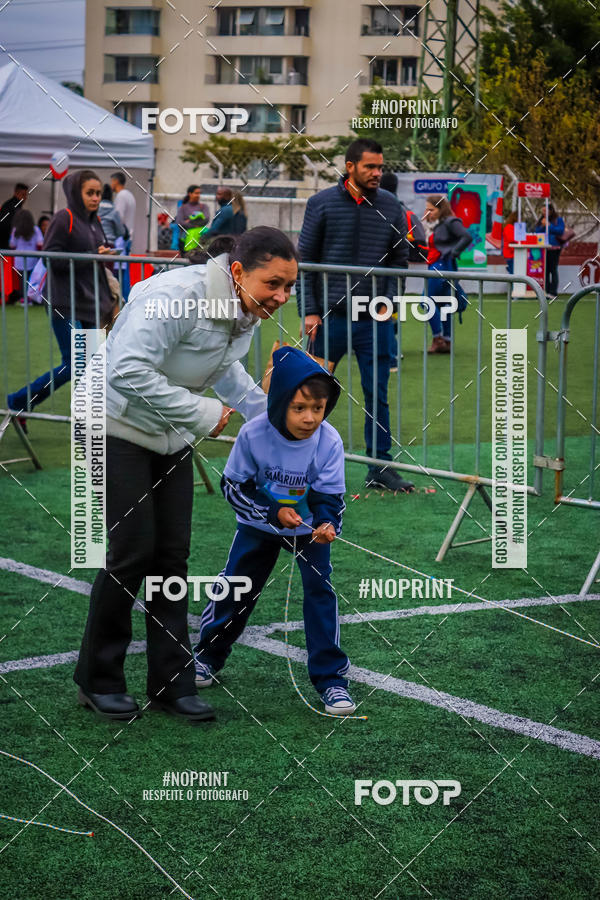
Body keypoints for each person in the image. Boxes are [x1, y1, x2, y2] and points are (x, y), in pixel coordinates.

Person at [73, 227, 299, 723]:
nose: (282, 297)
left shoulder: (244, 308)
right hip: (110, 424)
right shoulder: (176, 295)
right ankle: (98, 678)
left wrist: (276, 420)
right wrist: (203, 414)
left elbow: (225, 369)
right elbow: (125, 368)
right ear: (238, 271)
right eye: (274, 284)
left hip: (168, 434)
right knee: (132, 550)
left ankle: (171, 683)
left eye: (290, 286)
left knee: (172, 556)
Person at [193, 346, 356, 715]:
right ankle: (207, 655)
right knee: (237, 586)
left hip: (308, 529)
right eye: (299, 408)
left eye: (318, 408)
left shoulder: (329, 440)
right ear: (280, 401)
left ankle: (331, 679)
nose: (310, 418)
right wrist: (273, 512)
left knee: (319, 591)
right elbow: (234, 487)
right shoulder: (253, 434)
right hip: (259, 524)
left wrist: (327, 523)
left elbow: (330, 495)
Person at [298, 138, 414, 493]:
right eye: (370, 167)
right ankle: (300, 464)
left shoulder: (393, 207)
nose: (377, 173)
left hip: (374, 321)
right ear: (350, 166)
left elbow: (400, 262)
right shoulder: (320, 204)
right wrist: (310, 311)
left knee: (376, 393)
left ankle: (379, 467)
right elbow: (305, 263)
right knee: (311, 394)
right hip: (328, 319)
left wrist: (388, 304)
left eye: (380, 167)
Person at [6, 170, 113, 417]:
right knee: (74, 363)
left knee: (92, 364)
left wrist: (101, 255)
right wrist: (92, 256)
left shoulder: (94, 221)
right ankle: (19, 401)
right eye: (90, 193)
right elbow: (52, 259)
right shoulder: (63, 218)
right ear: (76, 193)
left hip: (90, 302)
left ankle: (91, 419)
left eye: (98, 193)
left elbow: (93, 255)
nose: (96, 198)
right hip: (63, 301)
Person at [422, 195, 472, 354]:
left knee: (426, 301)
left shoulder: (450, 221)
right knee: (443, 303)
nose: (428, 212)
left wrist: (453, 253)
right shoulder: (442, 224)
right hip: (441, 265)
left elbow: (467, 237)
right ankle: (447, 341)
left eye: (431, 209)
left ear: (440, 208)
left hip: (441, 265)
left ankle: (439, 338)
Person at [8, 210, 43, 304]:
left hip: (19, 259)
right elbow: (40, 244)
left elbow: (12, 245)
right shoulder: (35, 229)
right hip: (32, 258)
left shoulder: (16, 230)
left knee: (22, 280)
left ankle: (24, 298)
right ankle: (32, 297)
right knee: (32, 279)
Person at [110, 171, 136, 299]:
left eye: (112, 182)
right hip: (128, 236)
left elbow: (118, 218)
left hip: (121, 238)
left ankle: (121, 298)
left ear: (115, 181)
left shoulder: (121, 196)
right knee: (124, 270)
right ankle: (125, 297)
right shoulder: (129, 195)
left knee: (120, 271)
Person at [535, 203, 565, 298]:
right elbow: (537, 231)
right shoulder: (542, 220)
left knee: (553, 269)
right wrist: (543, 226)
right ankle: (546, 290)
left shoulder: (558, 220)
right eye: (542, 211)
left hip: (554, 248)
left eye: (545, 210)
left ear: (551, 211)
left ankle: (553, 292)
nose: (543, 213)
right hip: (544, 248)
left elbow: (560, 231)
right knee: (546, 270)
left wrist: (549, 226)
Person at [174, 185, 210, 251]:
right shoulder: (183, 208)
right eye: (196, 193)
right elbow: (180, 223)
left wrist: (189, 221)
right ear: (190, 194)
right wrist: (196, 223)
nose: (198, 195)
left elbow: (206, 219)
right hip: (184, 238)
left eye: (199, 193)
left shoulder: (204, 207)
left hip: (200, 239)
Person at [0, 182, 28, 249]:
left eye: (26, 195)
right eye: (23, 195)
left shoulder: (10, 205)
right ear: (16, 193)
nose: (25, 198)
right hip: (6, 244)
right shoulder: (12, 207)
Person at [502, 210, 518, 275]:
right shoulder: (509, 227)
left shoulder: (511, 227)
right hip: (510, 254)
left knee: (513, 271)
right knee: (513, 272)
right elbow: (511, 239)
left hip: (511, 254)